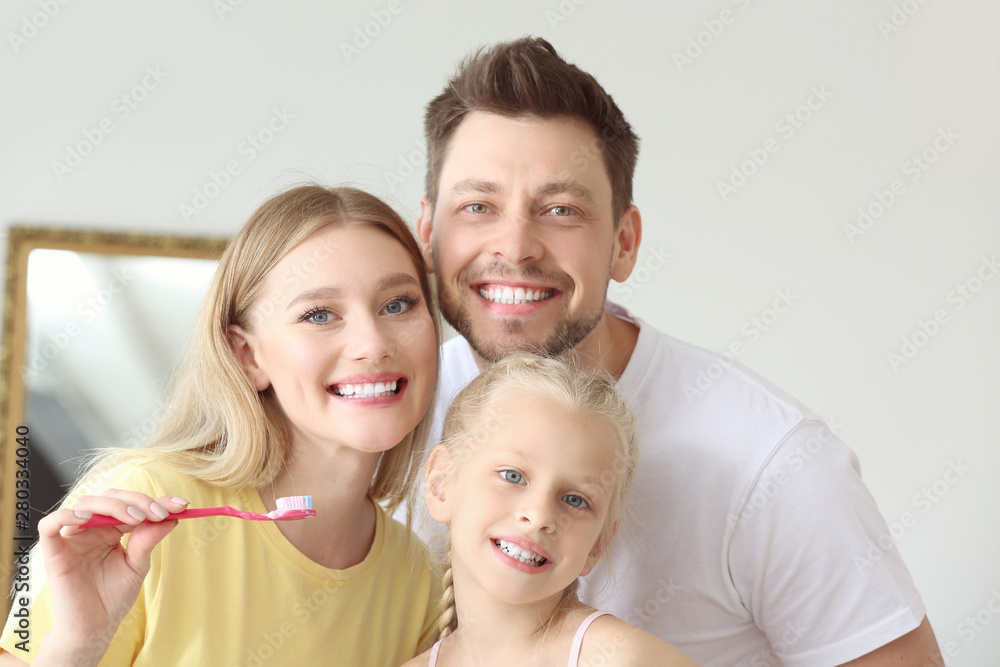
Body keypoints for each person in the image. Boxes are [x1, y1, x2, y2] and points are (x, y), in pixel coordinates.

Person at [411, 37, 943, 666]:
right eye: (478, 206)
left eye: (561, 210)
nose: (516, 246)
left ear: (625, 243)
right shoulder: (390, 421)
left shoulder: (769, 461)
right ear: (428, 234)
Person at [0, 185, 442, 666]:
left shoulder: (417, 578)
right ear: (247, 356)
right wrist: (77, 646)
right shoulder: (140, 509)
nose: (372, 343)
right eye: (319, 314)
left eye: (398, 304)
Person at [403, 353, 699, 667]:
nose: (540, 515)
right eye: (512, 476)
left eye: (575, 500)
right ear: (440, 484)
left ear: (597, 544)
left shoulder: (623, 659)